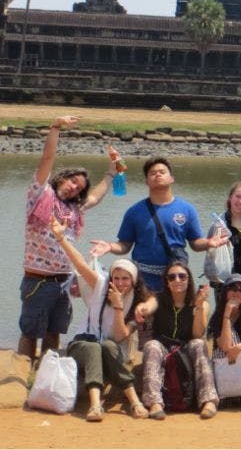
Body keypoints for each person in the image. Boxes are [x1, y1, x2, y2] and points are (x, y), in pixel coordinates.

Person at [20, 114, 115, 360]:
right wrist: (55, 127)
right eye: (73, 181)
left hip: (63, 282)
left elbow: (95, 197)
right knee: (30, 333)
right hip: (38, 281)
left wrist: (111, 174)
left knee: (54, 333)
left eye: (79, 188)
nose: (75, 187)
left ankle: (46, 376)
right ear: (63, 177)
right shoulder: (41, 195)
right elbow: (47, 158)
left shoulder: (73, 211)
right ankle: (22, 378)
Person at [50, 216, 151, 421]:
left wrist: (118, 307)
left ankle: (134, 402)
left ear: (133, 280)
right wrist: (61, 239)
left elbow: (120, 336)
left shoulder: (137, 303)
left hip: (111, 350)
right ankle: (96, 405)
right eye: (117, 278)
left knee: (105, 346)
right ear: (111, 277)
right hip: (83, 344)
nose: (120, 283)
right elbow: (79, 262)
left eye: (125, 279)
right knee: (95, 346)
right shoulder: (101, 285)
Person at [90, 158, 227, 292]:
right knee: (141, 313)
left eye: (162, 172)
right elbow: (124, 245)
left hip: (175, 278)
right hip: (143, 279)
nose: (158, 174)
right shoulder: (134, 211)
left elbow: (195, 243)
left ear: (172, 178)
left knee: (176, 314)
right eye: (152, 173)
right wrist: (109, 246)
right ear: (146, 181)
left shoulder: (186, 209)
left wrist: (209, 242)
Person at [136, 261, 219, 419]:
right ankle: (154, 403)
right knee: (152, 345)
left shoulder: (201, 303)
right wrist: (143, 308)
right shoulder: (158, 299)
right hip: (163, 346)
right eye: (172, 277)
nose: (177, 280)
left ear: (189, 279)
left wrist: (199, 306)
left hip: (186, 347)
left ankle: (208, 400)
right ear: (167, 282)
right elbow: (150, 305)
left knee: (199, 344)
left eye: (182, 276)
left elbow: (197, 333)